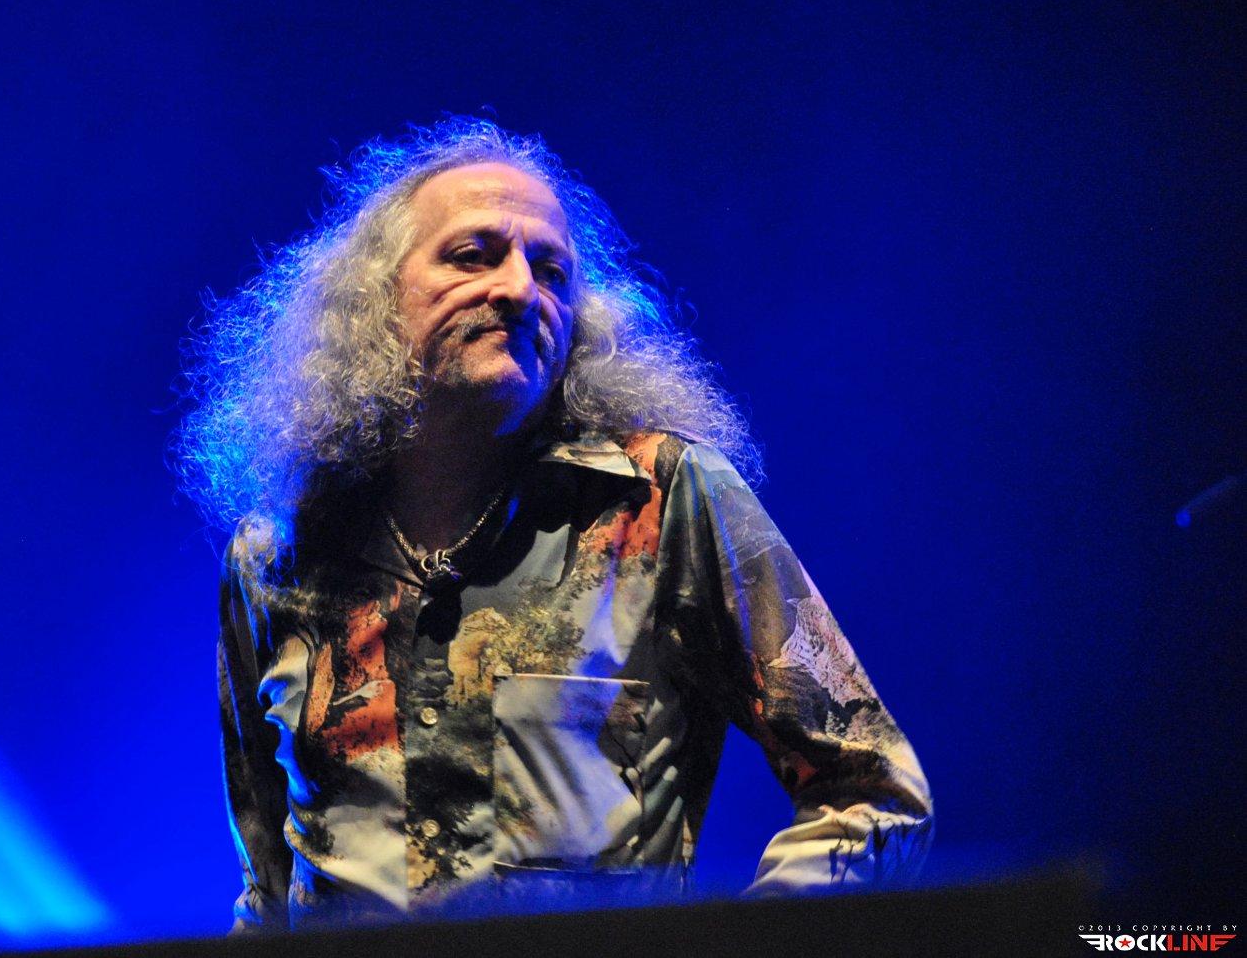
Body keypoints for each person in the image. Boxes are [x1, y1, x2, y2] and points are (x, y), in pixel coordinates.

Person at [175, 118, 933, 933]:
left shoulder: (664, 498)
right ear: (375, 301)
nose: (517, 289)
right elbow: (267, 887)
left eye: (551, 270)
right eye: (473, 255)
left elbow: (874, 791)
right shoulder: (276, 556)